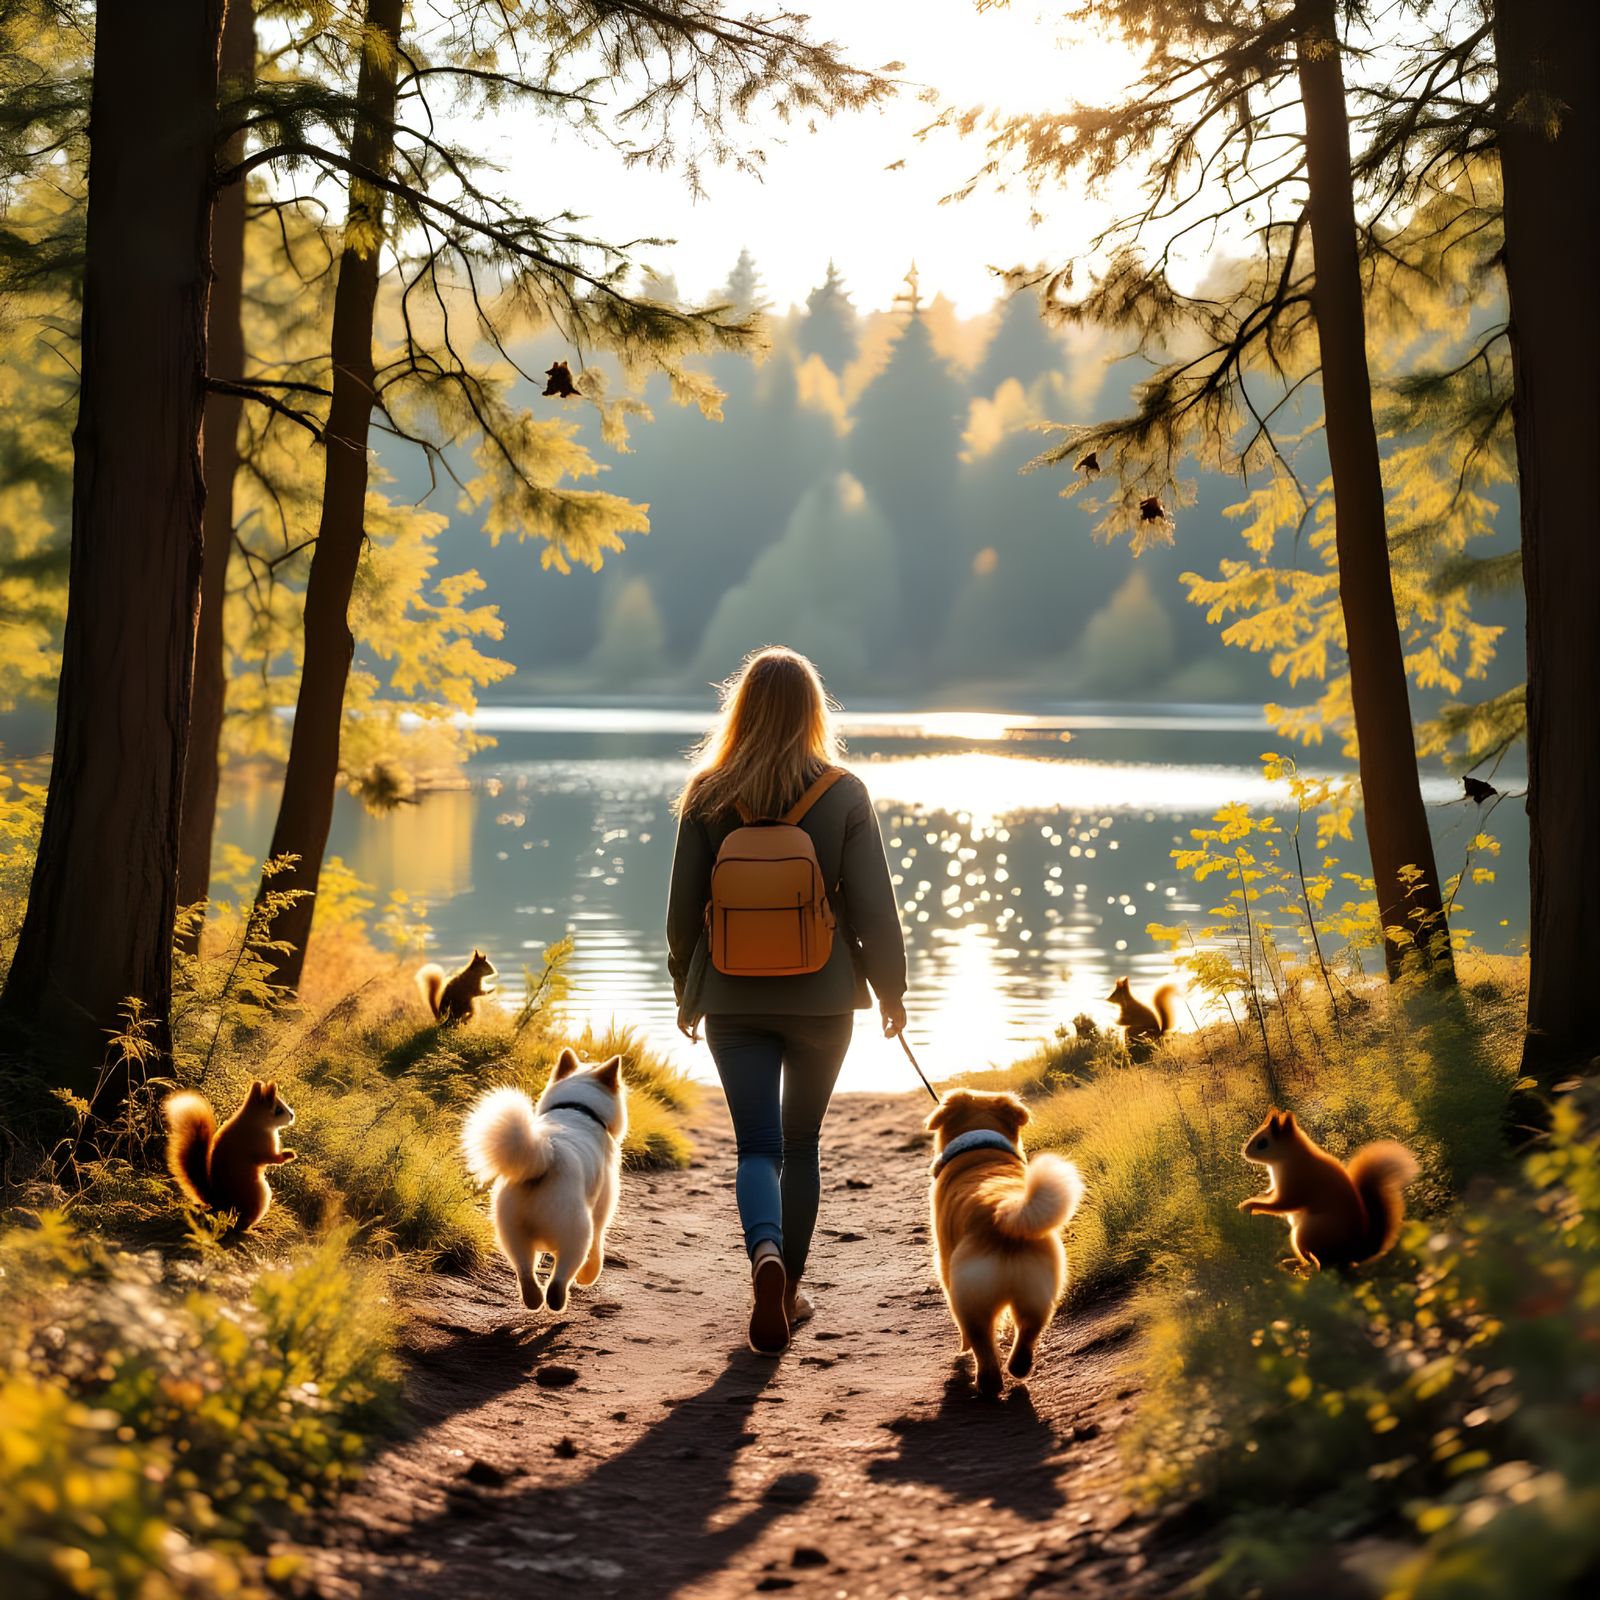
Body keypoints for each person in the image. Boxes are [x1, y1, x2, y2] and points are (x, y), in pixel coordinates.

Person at [667, 646, 908, 1355]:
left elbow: (683, 914)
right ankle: (792, 1286)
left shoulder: (707, 794)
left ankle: (764, 1259)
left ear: (738, 710)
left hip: (732, 999)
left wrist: (688, 987)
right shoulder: (843, 792)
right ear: (812, 712)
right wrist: (890, 990)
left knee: (756, 1147)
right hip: (824, 997)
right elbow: (873, 908)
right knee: (800, 1144)